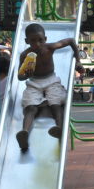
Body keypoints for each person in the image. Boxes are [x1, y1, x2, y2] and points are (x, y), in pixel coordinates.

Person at [15, 23, 79, 152]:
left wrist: (78, 60)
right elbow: (19, 77)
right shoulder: (25, 55)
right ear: (27, 41)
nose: (37, 44)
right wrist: (26, 75)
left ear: (45, 39)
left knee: (56, 103)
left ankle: (59, 128)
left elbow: (71, 41)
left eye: (40, 40)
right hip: (34, 82)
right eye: (33, 41)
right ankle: (24, 133)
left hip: (51, 80)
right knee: (30, 107)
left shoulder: (50, 48)